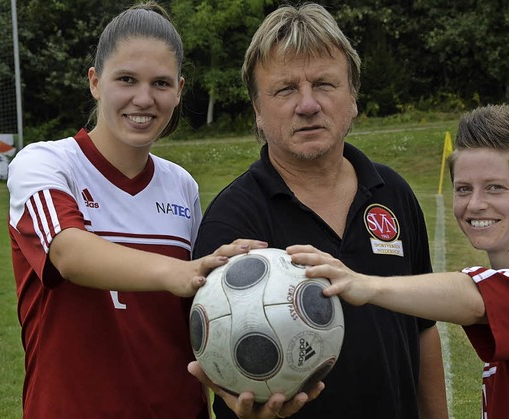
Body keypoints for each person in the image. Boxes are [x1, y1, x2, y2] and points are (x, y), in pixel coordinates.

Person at [7, 3, 266, 418]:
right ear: (95, 81)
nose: (143, 99)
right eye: (126, 79)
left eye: (160, 83)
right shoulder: (45, 164)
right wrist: (182, 271)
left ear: (179, 91)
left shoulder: (182, 185)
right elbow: (68, 254)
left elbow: (199, 320)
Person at [191, 3, 448, 419]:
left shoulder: (393, 194)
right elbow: (221, 365)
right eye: (285, 89)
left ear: (353, 99)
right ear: (257, 110)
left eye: (325, 84)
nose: (307, 104)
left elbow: (423, 328)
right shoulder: (233, 219)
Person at [288, 104, 509, 418]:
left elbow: (473, 298)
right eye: (463, 189)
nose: (475, 204)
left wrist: (365, 284)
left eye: (495, 188)